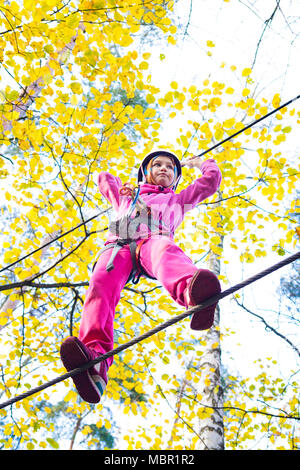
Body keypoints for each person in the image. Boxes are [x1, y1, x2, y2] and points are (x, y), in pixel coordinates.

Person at [60, 151, 222, 404]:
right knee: (99, 288)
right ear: (146, 172)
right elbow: (104, 178)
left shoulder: (178, 201)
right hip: (118, 246)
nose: (164, 169)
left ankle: (192, 290)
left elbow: (210, 182)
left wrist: (202, 163)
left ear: (176, 178)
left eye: (171, 167)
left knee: (165, 253)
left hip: (154, 239)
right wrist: (126, 186)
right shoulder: (127, 199)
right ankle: (95, 362)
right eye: (157, 164)